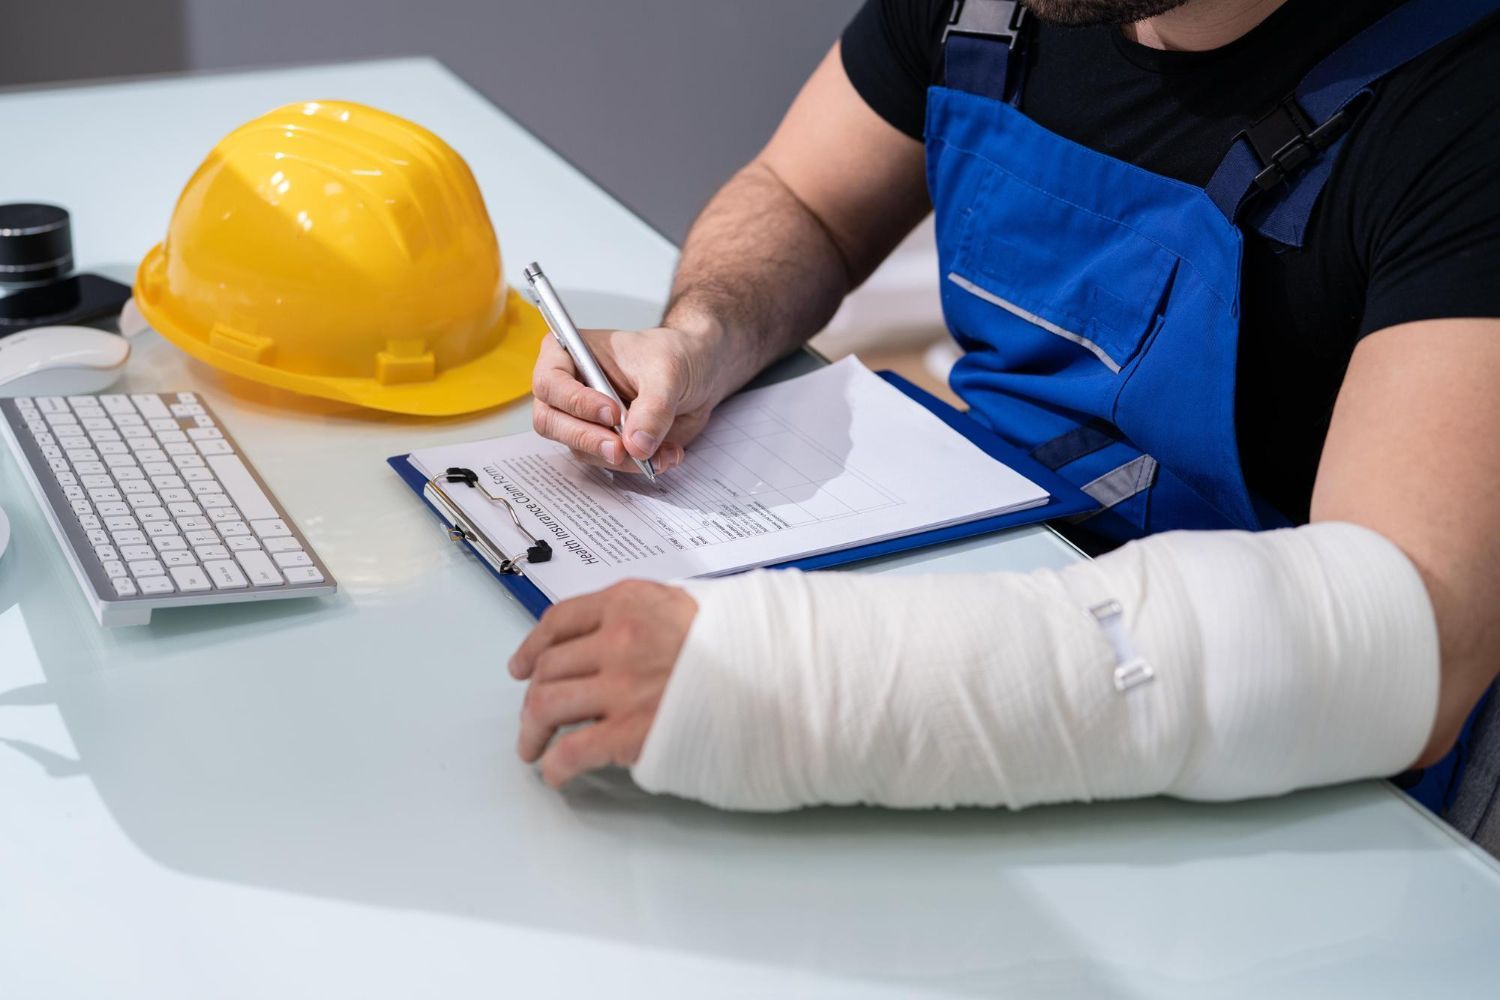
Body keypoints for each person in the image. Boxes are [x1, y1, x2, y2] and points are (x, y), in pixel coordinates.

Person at [508, 0, 1500, 814]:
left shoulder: (1462, 97)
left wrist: (786, 683)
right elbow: (800, 199)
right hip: (980, 576)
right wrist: (701, 336)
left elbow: (1401, 630)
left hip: (1266, 730)